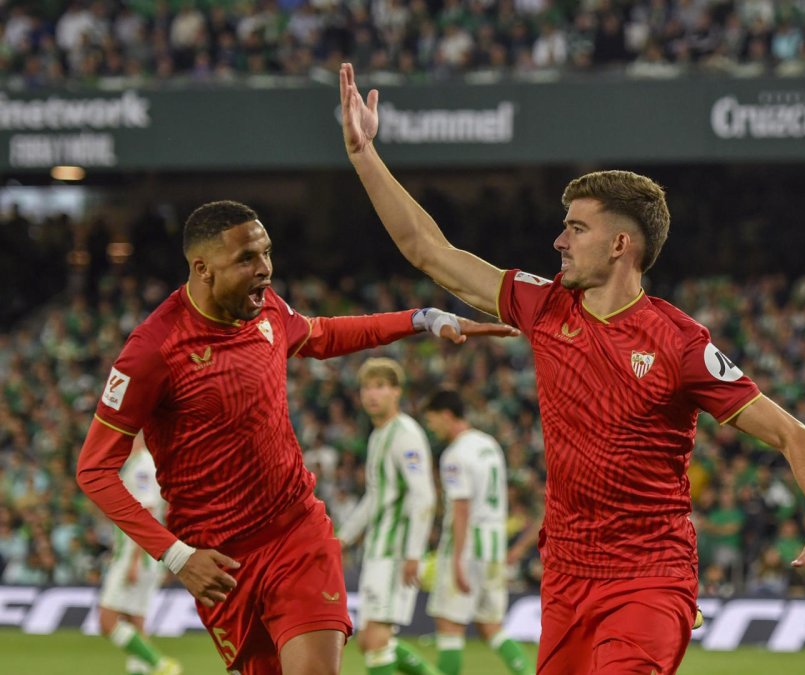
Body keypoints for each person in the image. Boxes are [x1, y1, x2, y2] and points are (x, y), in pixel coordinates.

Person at [339, 62, 805, 675]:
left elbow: (793, 435)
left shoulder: (679, 342)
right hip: (565, 574)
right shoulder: (544, 305)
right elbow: (430, 251)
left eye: (575, 228)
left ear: (621, 245)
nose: (559, 241)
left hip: (650, 577)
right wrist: (364, 154)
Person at [76, 200, 517, 675]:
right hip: (221, 563)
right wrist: (177, 555)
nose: (264, 270)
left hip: (297, 532)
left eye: (266, 253)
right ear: (202, 269)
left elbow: (322, 334)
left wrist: (422, 318)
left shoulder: (266, 309)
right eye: (246, 259)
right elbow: (94, 469)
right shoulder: (152, 351)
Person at [336, 358, 440, 675]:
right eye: (367, 387)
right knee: (369, 639)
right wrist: (342, 539)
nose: (372, 394)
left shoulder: (405, 434)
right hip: (378, 550)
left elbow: (424, 495)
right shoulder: (378, 435)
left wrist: (413, 553)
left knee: (377, 639)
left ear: (396, 392)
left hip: (396, 552)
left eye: (380, 386)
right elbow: (374, 496)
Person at [422, 388, 534, 675]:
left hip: (468, 545)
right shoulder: (489, 444)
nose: (432, 427)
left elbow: (461, 508)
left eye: (433, 420)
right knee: (490, 626)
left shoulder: (455, 454)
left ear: (447, 416)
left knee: (449, 623)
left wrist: (458, 559)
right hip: (493, 545)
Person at [96, 433, 182, 675]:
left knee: (107, 620)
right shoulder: (137, 463)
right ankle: (149, 668)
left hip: (137, 555)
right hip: (146, 556)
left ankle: (161, 664)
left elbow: (146, 511)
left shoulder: (142, 465)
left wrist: (133, 561)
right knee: (135, 623)